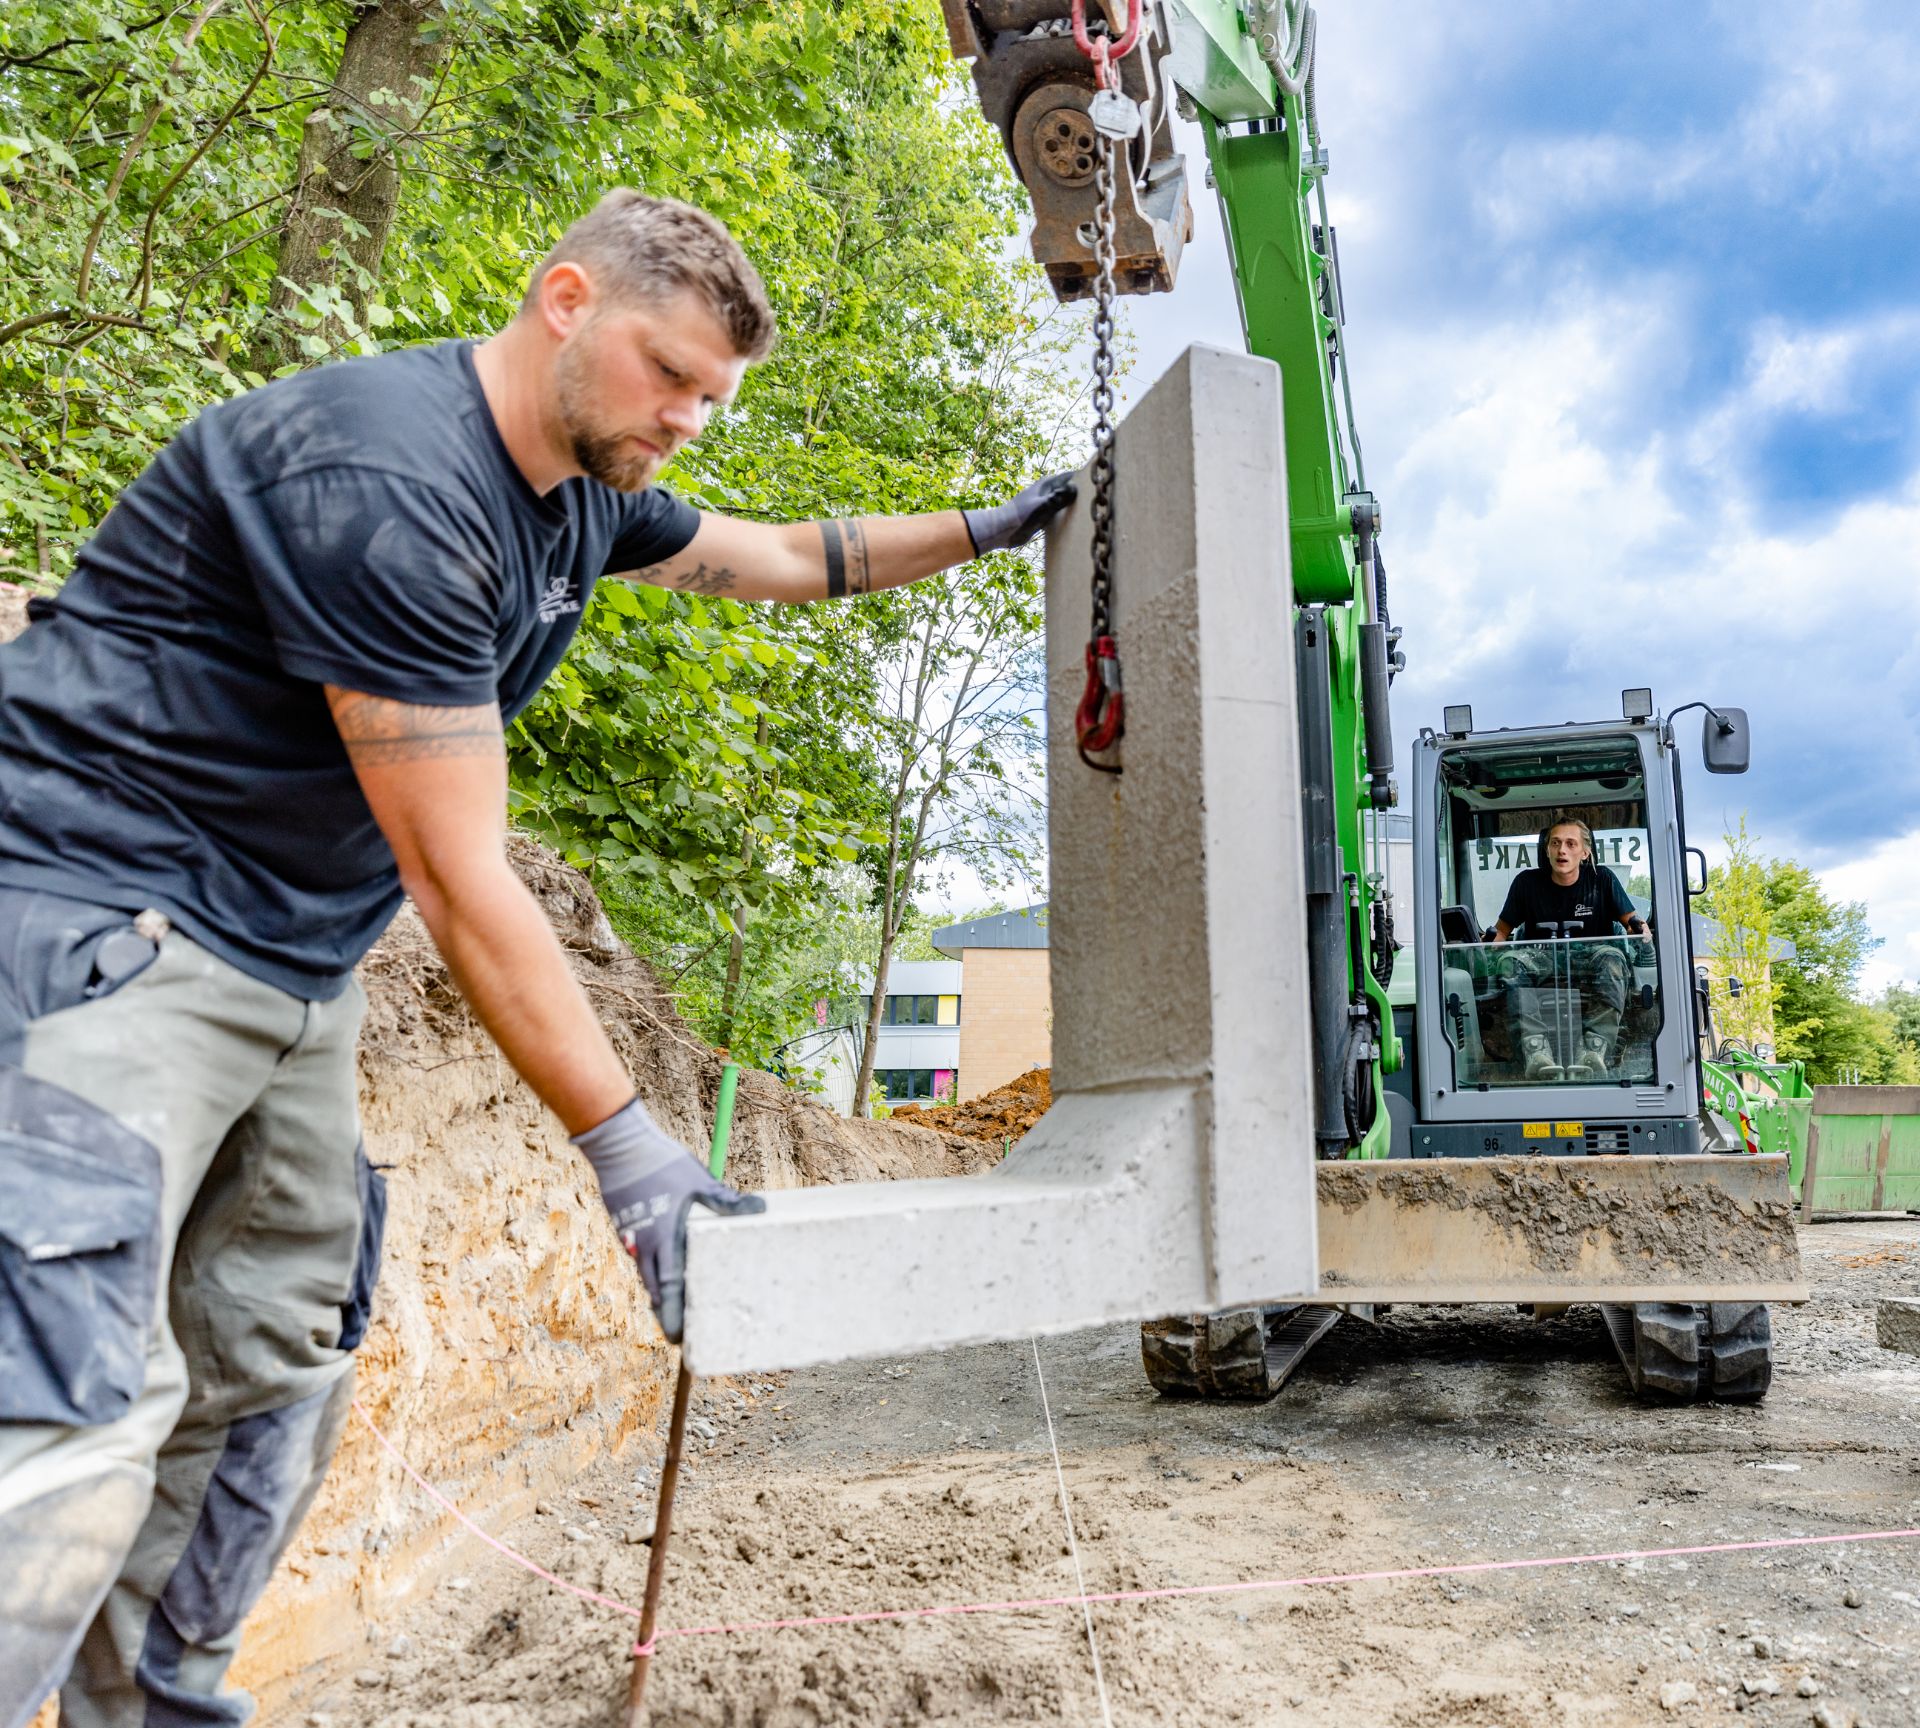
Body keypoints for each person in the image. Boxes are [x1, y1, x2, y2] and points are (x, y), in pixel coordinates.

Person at [0, 189, 1075, 1727]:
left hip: (286, 963)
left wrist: (987, 528)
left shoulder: (583, 485)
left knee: (275, 1367)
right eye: (671, 375)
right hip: (103, 920)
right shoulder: (394, 486)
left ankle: (153, 1710)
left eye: (714, 396)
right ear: (564, 300)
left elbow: (779, 552)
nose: (691, 420)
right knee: (70, 1421)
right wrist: (628, 1153)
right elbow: (460, 877)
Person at [1489, 816, 1652, 1081]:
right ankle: (1536, 1050)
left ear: (1585, 852)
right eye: (1555, 843)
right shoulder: (1526, 883)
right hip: (1541, 958)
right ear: (1547, 850)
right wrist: (1482, 945)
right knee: (1511, 961)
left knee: (1612, 957)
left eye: (1570, 843)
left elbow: (1633, 924)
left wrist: (1640, 930)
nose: (1561, 850)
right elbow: (1502, 933)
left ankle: (1593, 1050)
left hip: (1592, 961)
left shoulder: (1603, 880)